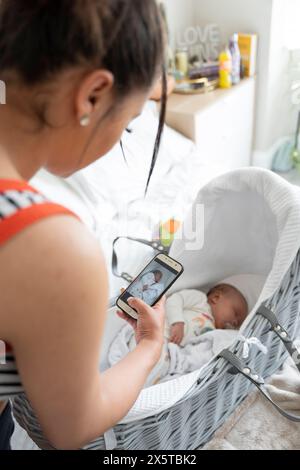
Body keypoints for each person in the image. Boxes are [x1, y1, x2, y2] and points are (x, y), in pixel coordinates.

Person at [0, 0, 168, 450]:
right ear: (92, 95)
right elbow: (73, 427)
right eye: (129, 124)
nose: (120, 139)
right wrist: (150, 347)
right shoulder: (51, 247)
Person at [166, 281, 248, 347]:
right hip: (164, 330)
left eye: (237, 324)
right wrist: (177, 322)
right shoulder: (201, 300)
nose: (234, 322)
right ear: (216, 298)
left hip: (170, 352)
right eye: (235, 312)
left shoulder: (216, 335)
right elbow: (175, 299)